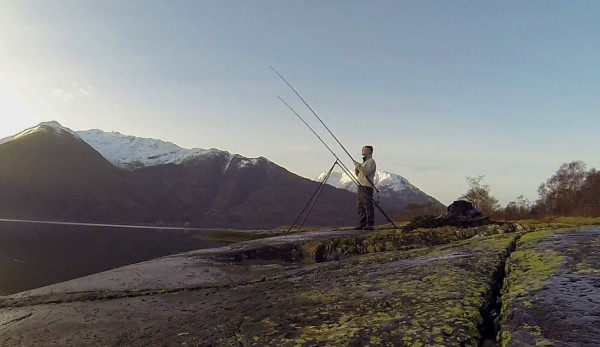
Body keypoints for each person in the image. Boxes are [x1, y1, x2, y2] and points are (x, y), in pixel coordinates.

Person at [353, 145, 376, 230]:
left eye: (364, 149)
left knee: (368, 205)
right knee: (360, 206)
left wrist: (358, 166)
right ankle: (362, 223)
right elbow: (359, 174)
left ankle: (370, 224)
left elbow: (366, 172)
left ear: (369, 151)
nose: (362, 151)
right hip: (361, 186)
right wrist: (357, 167)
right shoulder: (364, 162)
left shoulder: (371, 162)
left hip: (367, 186)